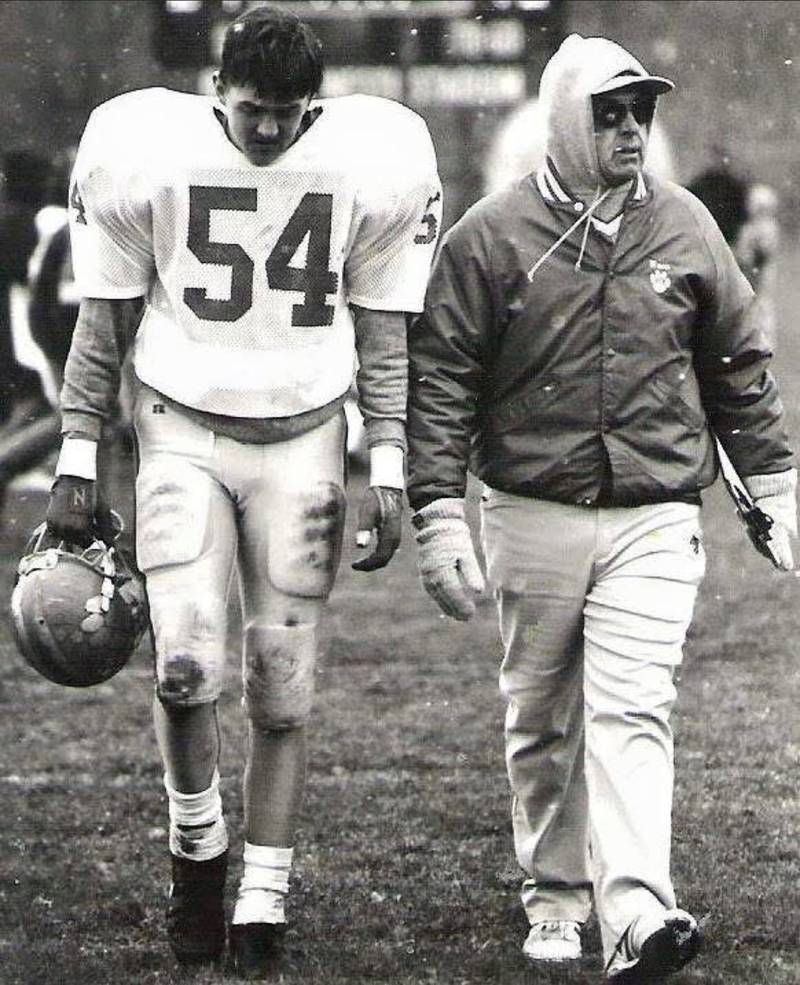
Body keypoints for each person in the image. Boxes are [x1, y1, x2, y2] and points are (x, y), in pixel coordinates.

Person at [46, 4, 442, 977]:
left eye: (289, 113)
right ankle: (197, 856)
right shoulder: (148, 152)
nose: (269, 130)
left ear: (315, 106)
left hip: (305, 441)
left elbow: (384, 332)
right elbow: (107, 316)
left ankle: (263, 892)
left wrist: (385, 463)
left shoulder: (369, 160)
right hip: (181, 431)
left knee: (281, 681)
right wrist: (76, 453)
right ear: (220, 90)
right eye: (254, 109)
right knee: (184, 665)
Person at [406, 33, 795, 985]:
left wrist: (775, 481)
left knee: (635, 706)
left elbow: (738, 361)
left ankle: (635, 911)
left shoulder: (687, 225)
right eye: (608, 113)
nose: (629, 130)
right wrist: (437, 512)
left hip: (656, 510)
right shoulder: (490, 238)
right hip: (531, 507)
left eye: (641, 113)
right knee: (541, 710)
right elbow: (444, 379)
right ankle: (553, 894)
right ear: (565, 121)